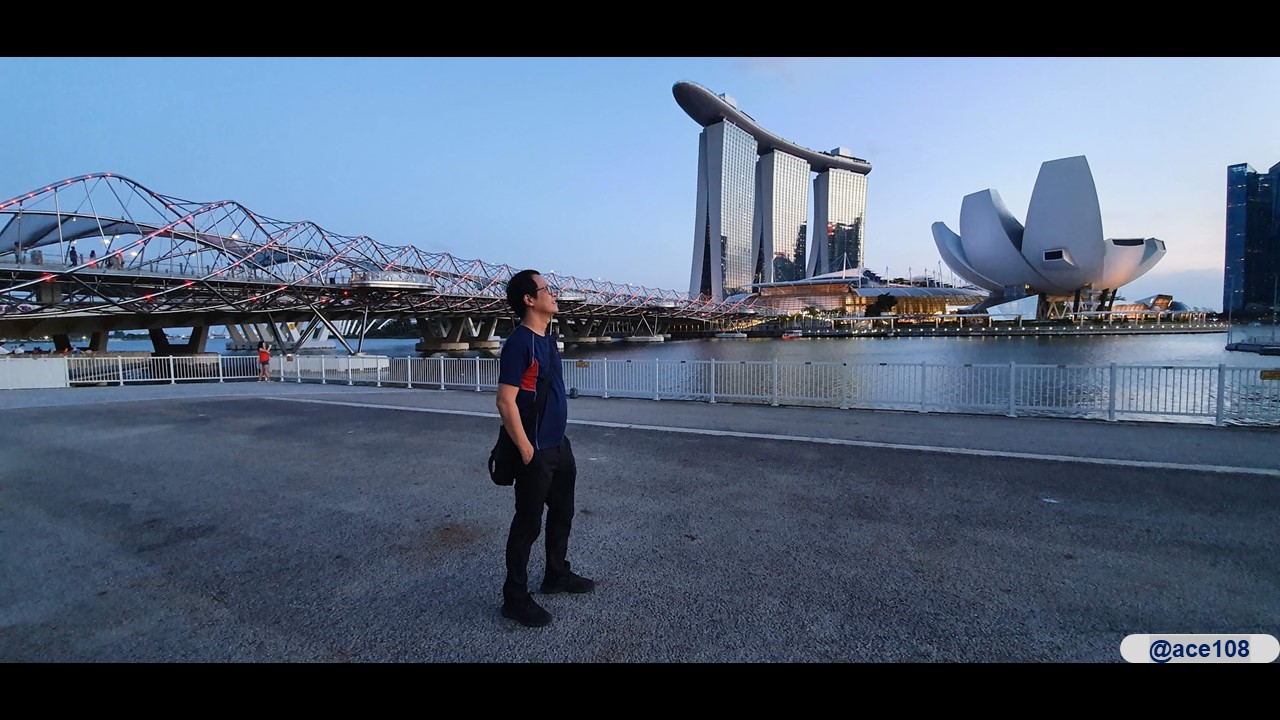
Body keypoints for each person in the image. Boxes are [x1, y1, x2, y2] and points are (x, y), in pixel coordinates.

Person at [495, 269, 594, 628]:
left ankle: (556, 574)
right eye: (546, 289)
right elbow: (505, 401)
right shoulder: (520, 343)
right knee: (527, 524)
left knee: (563, 513)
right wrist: (525, 448)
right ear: (529, 299)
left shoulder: (547, 340)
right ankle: (515, 598)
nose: (554, 294)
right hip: (536, 449)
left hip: (558, 445)